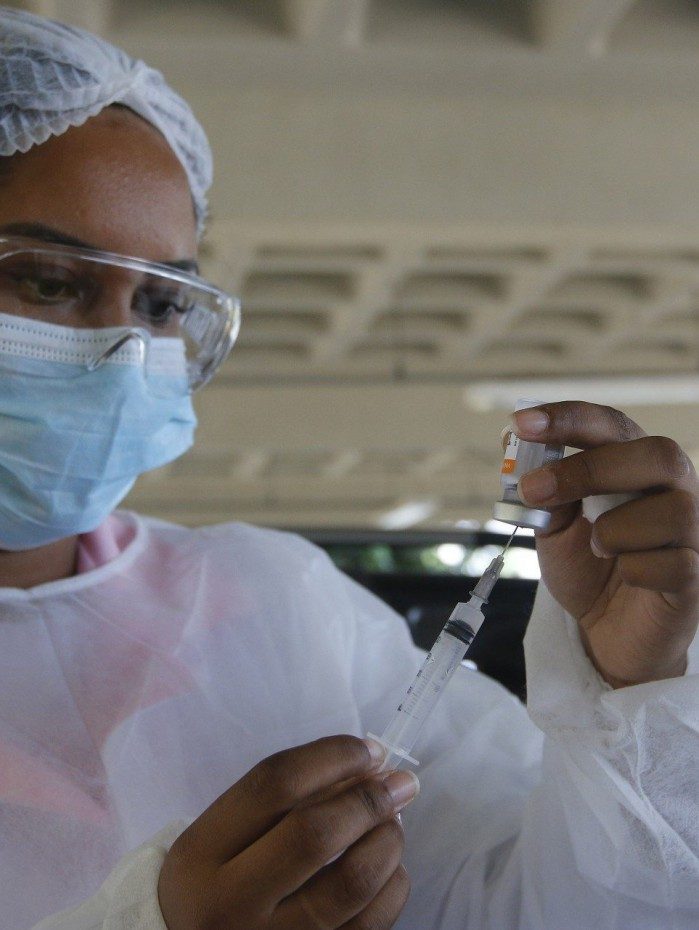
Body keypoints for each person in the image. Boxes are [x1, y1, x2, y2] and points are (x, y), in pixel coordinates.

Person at [1, 8, 698, 930]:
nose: (128, 352)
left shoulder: (269, 601)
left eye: (164, 301)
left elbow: (558, 912)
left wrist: (633, 696)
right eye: (51, 282)